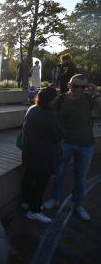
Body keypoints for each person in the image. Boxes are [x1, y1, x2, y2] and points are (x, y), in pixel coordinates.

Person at [43, 75, 101, 221]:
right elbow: (47, 112)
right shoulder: (61, 99)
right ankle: (55, 199)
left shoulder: (89, 99)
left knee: (80, 178)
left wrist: (96, 95)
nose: (79, 90)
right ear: (69, 85)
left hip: (86, 145)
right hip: (65, 143)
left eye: (83, 87)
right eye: (76, 86)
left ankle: (78, 205)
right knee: (59, 174)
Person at [21, 87, 63, 223]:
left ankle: (26, 202)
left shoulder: (31, 109)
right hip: (44, 156)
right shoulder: (49, 114)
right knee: (40, 184)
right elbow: (57, 136)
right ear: (51, 100)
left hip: (29, 152)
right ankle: (34, 211)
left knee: (28, 178)